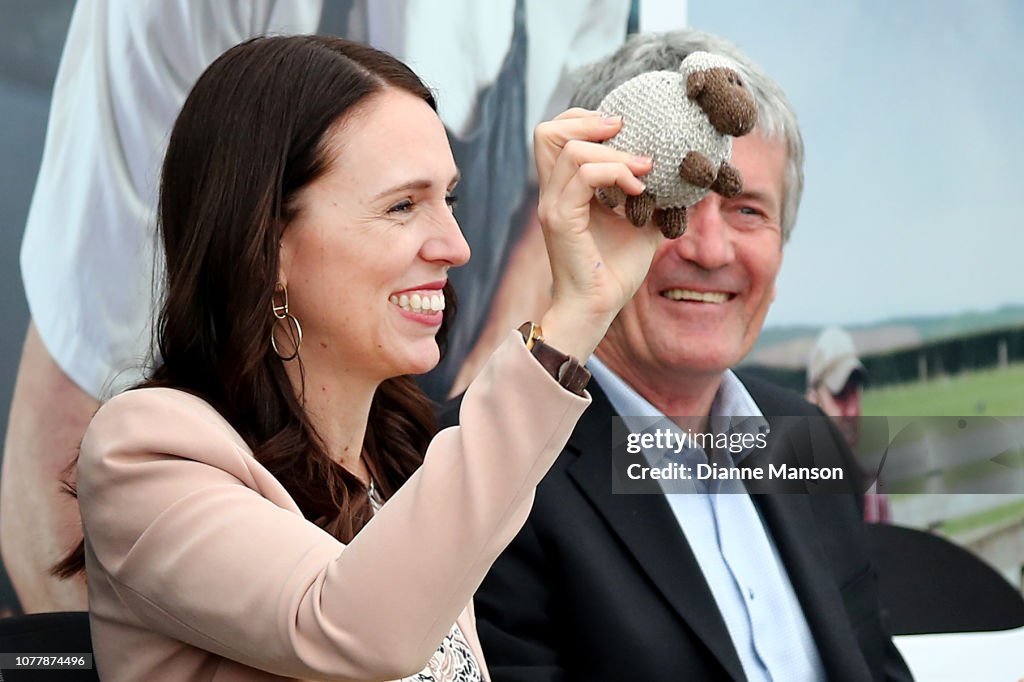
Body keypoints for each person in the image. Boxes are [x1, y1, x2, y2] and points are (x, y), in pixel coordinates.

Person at [1, 0, 637, 612]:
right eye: (402, 206)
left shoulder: (403, 469)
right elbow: (360, 625)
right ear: (272, 243)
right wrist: (570, 322)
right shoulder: (149, 456)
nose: (457, 247)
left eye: (452, 201)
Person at [468, 30, 912, 681]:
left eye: (747, 210)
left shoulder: (808, 442)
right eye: (675, 203)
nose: (710, 249)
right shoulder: (485, 465)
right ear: (588, 213)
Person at [807, 325, 891, 523]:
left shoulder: (872, 485)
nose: (852, 410)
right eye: (840, 395)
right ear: (813, 400)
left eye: (855, 392)